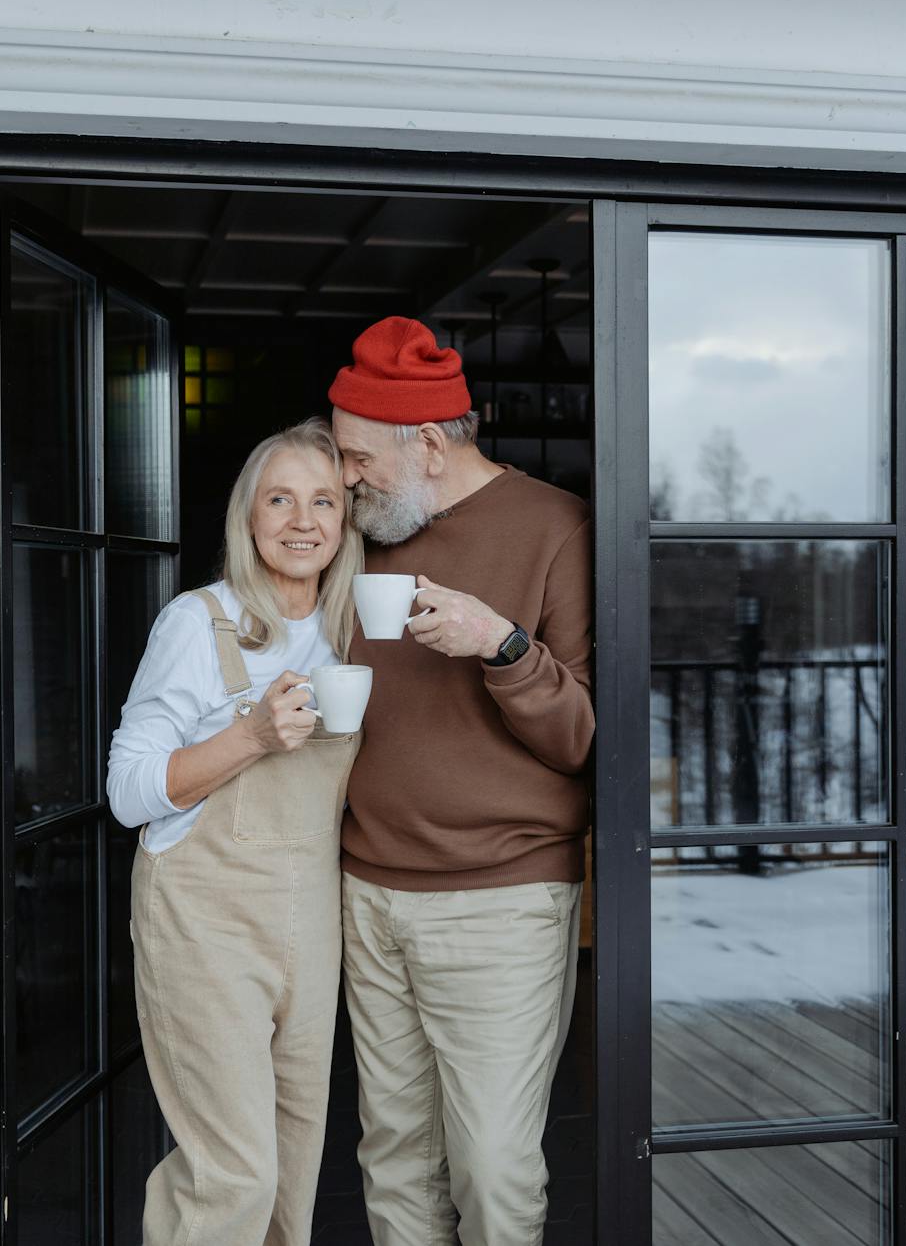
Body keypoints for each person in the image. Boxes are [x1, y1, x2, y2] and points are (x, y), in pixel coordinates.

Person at [328, 317, 595, 1246]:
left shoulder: (556, 528)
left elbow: (586, 742)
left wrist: (503, 646)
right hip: (367, 890)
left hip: (503, 898)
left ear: (431, 445)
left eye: (359, 458)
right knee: (394, 1154)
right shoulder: (361, 531)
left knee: (492, 1163)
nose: (346, 478)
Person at [106, 417, 364, 1246]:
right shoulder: (199, 622)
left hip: (308, 924)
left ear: (344, 521)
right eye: (279, 498)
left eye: (323, 500)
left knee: (293, 1164)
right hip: (205, 925)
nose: (302, 520)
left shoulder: (351, 632)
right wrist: (249, 734)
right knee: (233, 1174)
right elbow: (126, 790)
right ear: (247, 517)